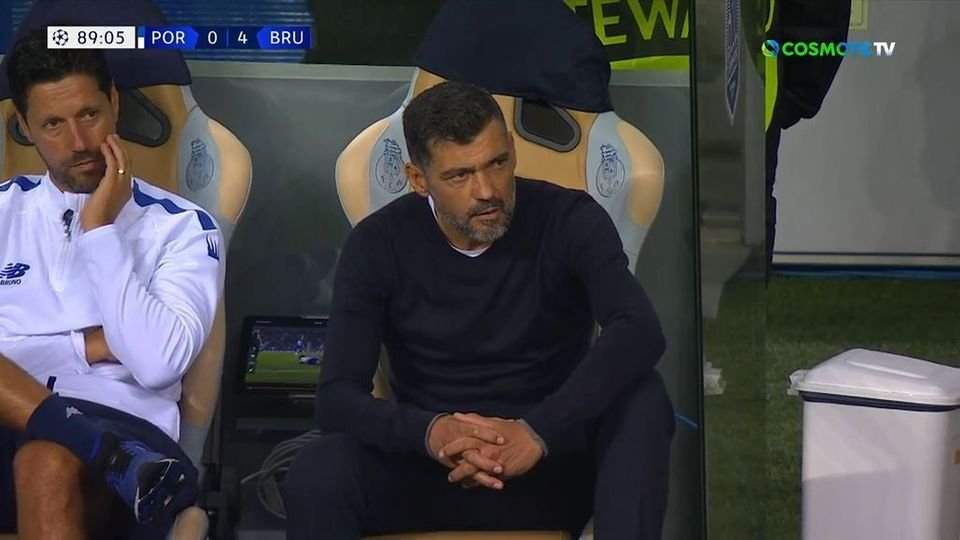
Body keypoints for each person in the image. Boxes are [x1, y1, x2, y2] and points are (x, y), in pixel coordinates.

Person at [284, 81, 675, 539]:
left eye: (497, 163)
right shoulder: (377, 244)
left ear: (512, 149)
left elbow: (639, 329)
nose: (486, 190)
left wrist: (536, 431)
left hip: (549, 466)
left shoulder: (569, 219)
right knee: (317, 470)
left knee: (644, 397)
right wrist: (432, 432)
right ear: (418, 179)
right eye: (459, 176)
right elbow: (336, 399)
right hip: (432, 469)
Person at [0, 27, 224, 538]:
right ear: (25, 127)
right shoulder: (4, 211)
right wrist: (89, 346)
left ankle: (108, 453)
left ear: (115, 104)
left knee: (45, 461)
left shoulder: (182, 227)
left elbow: (157, 362)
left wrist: (101, 230)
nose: (78, 143)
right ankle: (102, 451)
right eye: (53, 124)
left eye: (89, 115)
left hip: (130, 441)